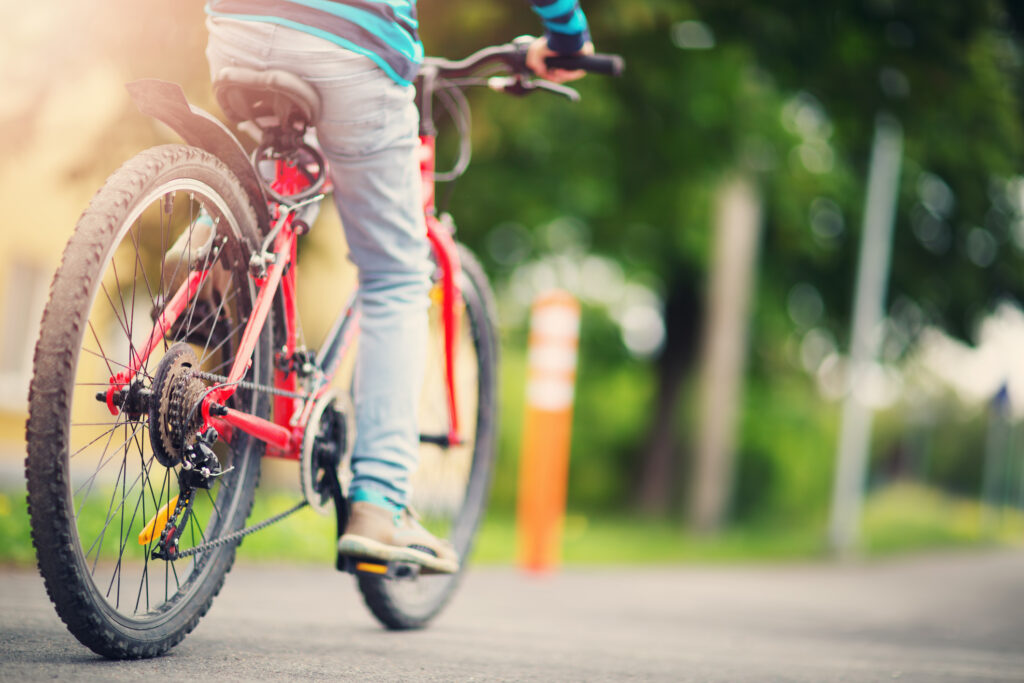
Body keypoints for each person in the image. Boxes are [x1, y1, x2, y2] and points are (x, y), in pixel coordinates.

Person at [204, 0, 594, 573]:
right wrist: (567, 36)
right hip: (349, 41)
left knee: (274, 209)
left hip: (236, 27)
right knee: (396, 275)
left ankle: (210, 245)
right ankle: (380, 505)